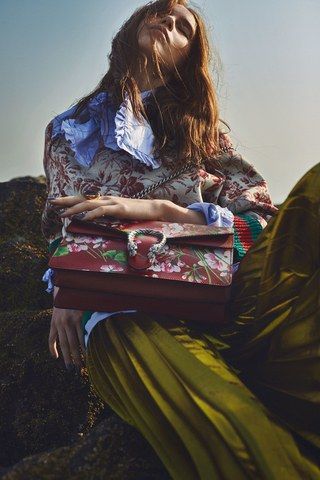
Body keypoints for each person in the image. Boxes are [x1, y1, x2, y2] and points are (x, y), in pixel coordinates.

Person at [41, 0, 320, 478]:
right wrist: (66, 287)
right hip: (129, 310)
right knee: (231, 421)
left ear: (189, 59)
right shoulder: (70, 129)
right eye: (158, 12)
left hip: (236, 295)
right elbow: (63, 223)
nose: (167, 22)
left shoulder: (205, 132)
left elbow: (261, 221)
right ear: (132, 27)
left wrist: (169, 212)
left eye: (183, 27)